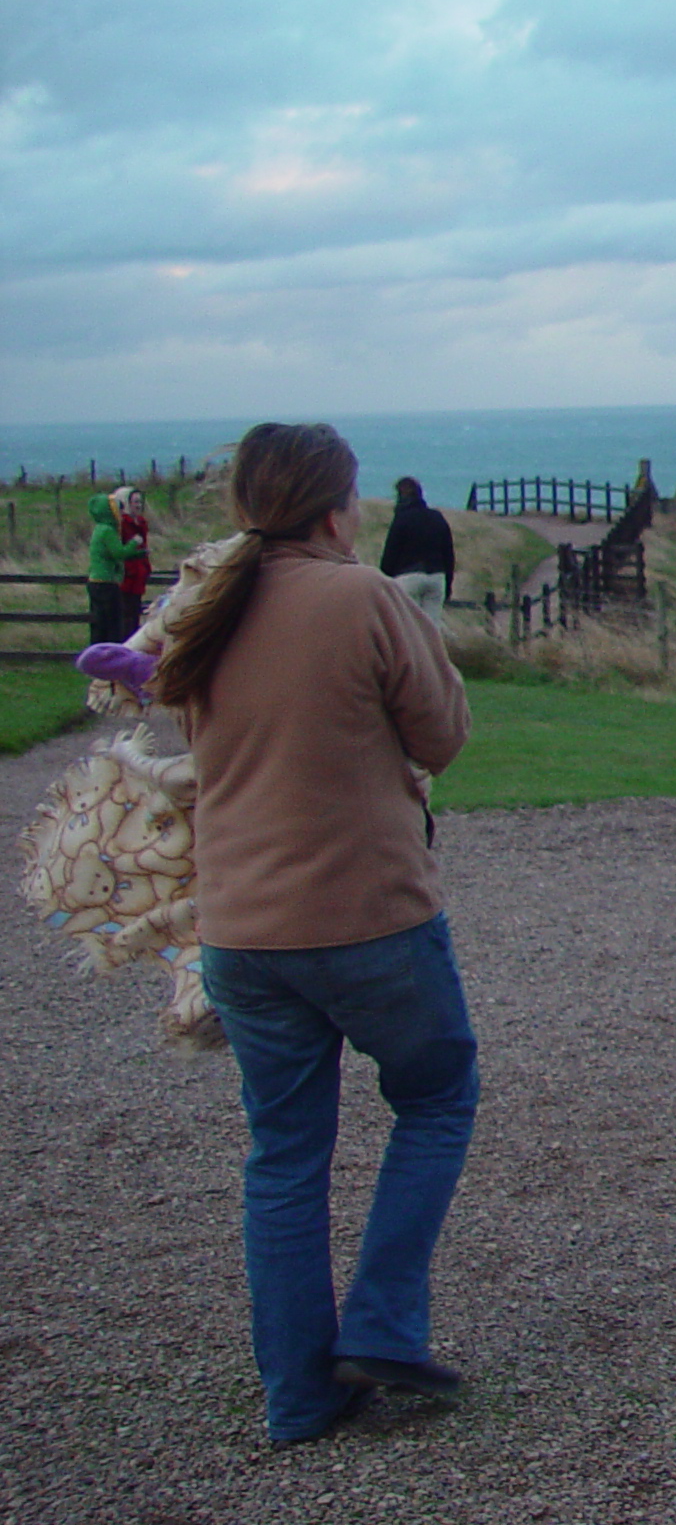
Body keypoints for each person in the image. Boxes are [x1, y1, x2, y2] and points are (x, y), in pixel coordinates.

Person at [153, 423, 477, 1442]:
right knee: (436, 1094)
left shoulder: (205, 606)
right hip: (366, 914)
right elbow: (444, 736)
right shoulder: (359, 596)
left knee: (284, 1155)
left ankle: (297, 1394)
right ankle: (381, 1321)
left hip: (242, 930)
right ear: (337, 508)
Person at [379, 476, 457, 607]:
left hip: (408, 577)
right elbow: (448, 554)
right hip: (436, 577)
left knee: (408, 624)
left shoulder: (402, 519)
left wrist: (384, 584)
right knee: (432, 625)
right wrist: (448, 585)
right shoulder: (437, 517)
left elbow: (390, 554)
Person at [85, 491, 146, 646]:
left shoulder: (99, 529)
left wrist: (138, 555)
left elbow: (111, 554)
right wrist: (135, 543)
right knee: (113, 625)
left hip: (96, 582)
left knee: (99, 623)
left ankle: (96, 656)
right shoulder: (108, 531)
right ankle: (112, 656)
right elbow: (119, 553)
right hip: (107, 583)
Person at [115, 486, 153, 638]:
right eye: (135, 502)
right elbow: (120, 551)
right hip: (126, 576)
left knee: (134, 613)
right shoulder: (121, 524)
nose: (138, 505)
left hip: (138, 575)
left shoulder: (140, 523)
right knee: (125, 614)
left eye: (140, 502)